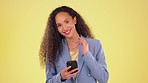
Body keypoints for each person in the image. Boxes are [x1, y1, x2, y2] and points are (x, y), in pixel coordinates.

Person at [39, 6, 109, 83]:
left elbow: (103, 78)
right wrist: (61, 77)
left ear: (74, 20)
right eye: (59, 25)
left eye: (67, 22)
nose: (64, 28)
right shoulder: (53, 49)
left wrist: (87, 55)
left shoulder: (95, 45)